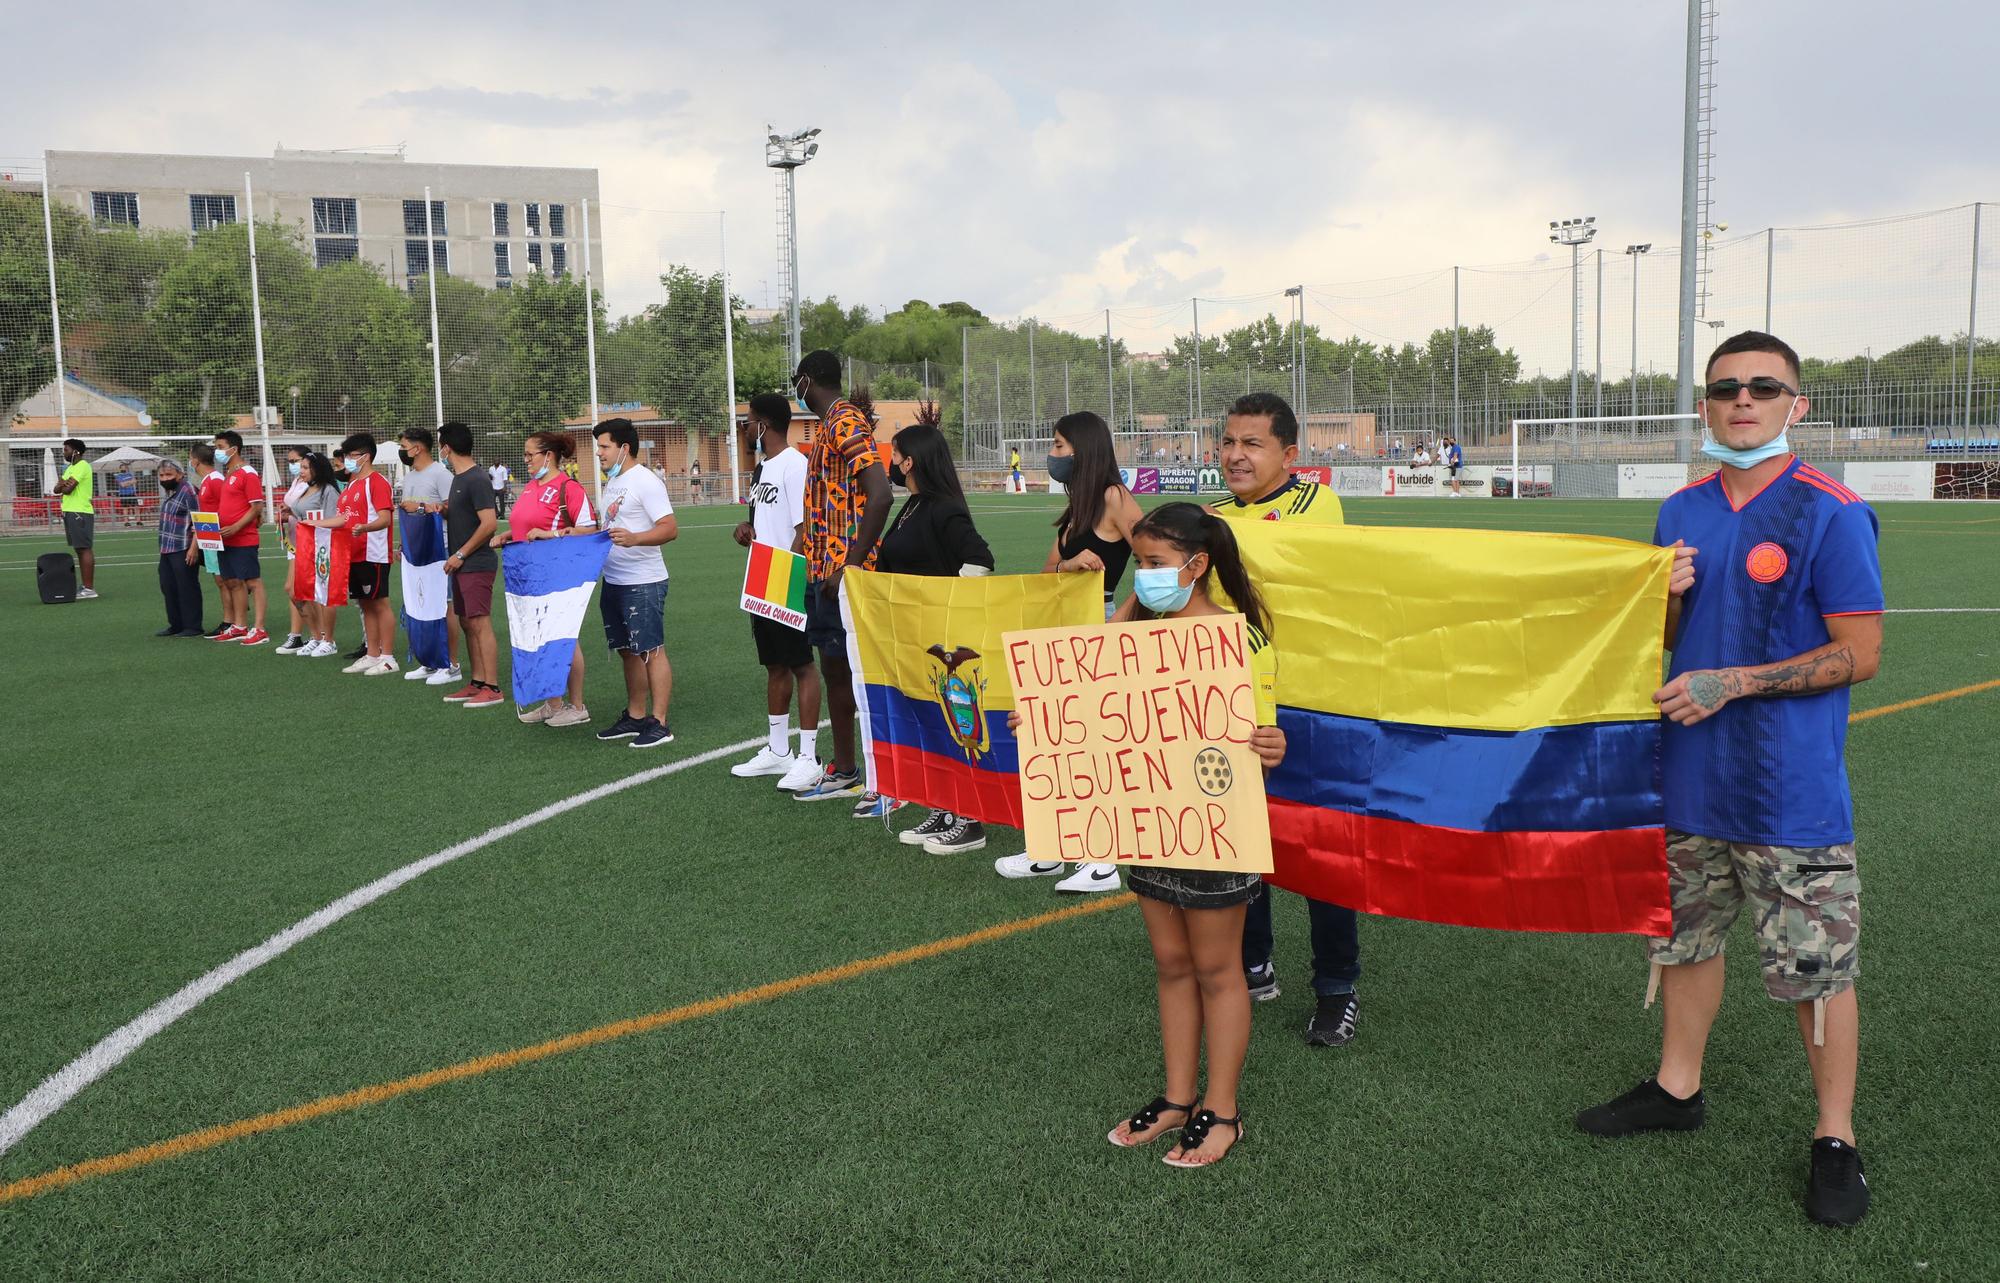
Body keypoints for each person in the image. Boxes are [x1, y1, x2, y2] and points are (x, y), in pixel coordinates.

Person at [1576, 331, 1884, 1228]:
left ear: (1798, 403)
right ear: (1705, 406)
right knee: (1682, 941)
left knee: (1816, 970)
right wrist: (1665, 601)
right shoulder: (1680, 510)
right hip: (1688, 781)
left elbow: (1860, 654)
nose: (1741, 400)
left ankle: (1835, 1136)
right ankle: (1678, 1087)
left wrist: (1737, 683)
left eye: (1762, 386)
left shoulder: (1830, 510)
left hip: (1791, 794)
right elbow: (1669, 641)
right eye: (1724, 389)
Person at [1029, 501, 1283, 1168]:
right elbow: (1082, 688)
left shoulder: (1238, 635)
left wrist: (1272, 739)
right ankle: (1176, 1099)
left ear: (1197, 566)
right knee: (1171, 962)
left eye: (1154, 564)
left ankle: (1220, 1110)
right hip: (1150, 819)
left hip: (1216, 824)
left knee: (1217, 968)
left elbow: (1266, 732)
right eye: (1139, 563)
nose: (1143, 575)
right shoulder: (1142, 624)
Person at [1202, 391, 1360, 1048]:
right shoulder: (1209, 515)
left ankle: (1337, 987)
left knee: (1320, 855)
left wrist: (1138, 520)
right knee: (1243, 843)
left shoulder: (1314, 504)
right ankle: (1255, 958)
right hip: (1234, 714)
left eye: (1253, 444)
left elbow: (1254, 552)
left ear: (1290, 454)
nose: (1235, 455)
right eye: (1228, 441)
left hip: (1309, 711)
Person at [993, 410, 1143, 893]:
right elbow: (1044, 577)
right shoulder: (1074, 507)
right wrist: (1069, 564)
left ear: (1083, 448)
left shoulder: (1115, 498)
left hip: (1098, 634)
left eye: (1058, 445)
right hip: (1060, 634)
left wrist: (1121, 615)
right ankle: (1051, 850)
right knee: (1051, 741)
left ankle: (1101, 861)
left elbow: (1162, 560)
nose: (1052, 455)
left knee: (1090, 745)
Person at [872, 422, 995, 846]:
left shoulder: (943, 507)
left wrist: (942, 604)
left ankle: (970, 818)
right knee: (929, 724)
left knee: (955, 725)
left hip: (944, 642)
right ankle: (944, 808)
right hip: (911, 639)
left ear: (911, 461)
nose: (891, 461)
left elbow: (979, 561)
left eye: (896, 453)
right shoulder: (911, 506)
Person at [789, 350, 893, 802]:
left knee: (858, 673)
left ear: (807, 380)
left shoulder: (845, 421)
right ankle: (847, 769)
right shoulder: (831, 424)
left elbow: (881, 494)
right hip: (824, 570)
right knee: (835, 669)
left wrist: (850, 563)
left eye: (797, 381)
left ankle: (879, 779)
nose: (797, 389)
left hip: (845, 574)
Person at [730, 393, 822, 788]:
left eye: (750, 420)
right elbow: (764, 520)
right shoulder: (762, 468)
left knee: (802, 664)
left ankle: (809, 756)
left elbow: (805, 530)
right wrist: (746, 530)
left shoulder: (795, 465)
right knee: (775, 664)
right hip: (761, 578)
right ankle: (778, 750)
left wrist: (787, 576)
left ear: (764, 424)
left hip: (785, 577)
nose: (747, 427)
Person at [494, 430, 597, 727]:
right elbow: (524, 528)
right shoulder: (530, 487)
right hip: (529, 578)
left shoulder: (568, 487)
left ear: (548, 456)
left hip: (558, 575)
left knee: (565, 638)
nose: (525, 460)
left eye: (530, 455)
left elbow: (588, 529)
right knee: (540, 638)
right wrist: (506, 536)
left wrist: (549, 534)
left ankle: (577, 706)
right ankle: (553, 704)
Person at [593, 418, 678, 748]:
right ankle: (636, 715)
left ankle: (659, 722)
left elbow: (669, 528)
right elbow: (610, 526)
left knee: (651, 651)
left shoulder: (645, 481)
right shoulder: (613, 483)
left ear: (623, 448)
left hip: (643, 581)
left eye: (604, 446)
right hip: (614, 579)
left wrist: (635, 539)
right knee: (628, 652)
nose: (598, 453)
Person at [436, 422, 503, 709]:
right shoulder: (458, 479)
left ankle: (493, 686)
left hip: (475, 562)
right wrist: (444, 510)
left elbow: (489, 524)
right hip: (462, 564)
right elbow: (466, 516)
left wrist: (461, 554)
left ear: (447, 447)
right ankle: (477, 682)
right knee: (466, 622)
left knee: (479, 622)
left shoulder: (476, 479)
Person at [397, 427, 463, 687]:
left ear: (418, 447)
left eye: (404, 446)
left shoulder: (441, 474)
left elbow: (451, 510)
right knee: (421, 606)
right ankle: (430, 661)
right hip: (417, 551)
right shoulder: (411, 476)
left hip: (440, 550)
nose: (403, 451)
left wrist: (423, 507)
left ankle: (452, 664)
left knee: (444, 607)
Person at [334, 432, 398, 675]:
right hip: (354, 554)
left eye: (351, 456)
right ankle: (372, 654)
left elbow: (384, 518)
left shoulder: (378, 482)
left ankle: (389, 657)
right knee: (365, 604)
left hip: (374, 553)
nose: (347, 461)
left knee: (380, 603)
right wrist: (316, 524)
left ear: (365, 456)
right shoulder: (351, 485)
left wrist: (365, 528)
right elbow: (344, 518)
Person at [211, 430, 269, 645]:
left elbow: (256, 507)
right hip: (226, 538)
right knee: (233, 581)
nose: (217, 451)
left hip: (243, 537)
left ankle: (260, 628)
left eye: (220, 447)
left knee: (253, 581)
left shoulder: (248, 472)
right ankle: (240, 626)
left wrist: (235, 527)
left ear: (233, 449)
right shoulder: (229, 473)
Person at [286, 452, 345, 657]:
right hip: (304, 547)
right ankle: (316, 636)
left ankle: (328, 640)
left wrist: (313, 524)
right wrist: (289, 514)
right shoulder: (307, 489)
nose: (300, 471)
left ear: (316, 469)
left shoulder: (328, 491)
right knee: (299, 592)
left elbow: (335, 519)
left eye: (304, 467)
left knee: (323, 594)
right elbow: (302, 514)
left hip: (323, 548)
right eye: (300, 467)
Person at [152, 457, 205, 637]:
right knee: (168, 586)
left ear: (180, 474)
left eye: (169, 474)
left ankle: (192, 626)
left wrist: (194, 548)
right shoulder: (171, 492)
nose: (165, 478)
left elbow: (198, 519)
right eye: (161, 475)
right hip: (167, 548)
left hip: (183, 547)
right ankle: (175, 624)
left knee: (187, 587)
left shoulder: (188, 491)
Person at [275, 445, 314, 653]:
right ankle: (297, 635)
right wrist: (283, 515)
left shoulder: (313, 484)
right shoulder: (297, 481)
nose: (292, 465)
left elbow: (310, 511)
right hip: (293, 541)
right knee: (294, 590)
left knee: (296, 589)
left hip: (306, 542)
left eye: (295, 461)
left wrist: (290, 513)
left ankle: (319, 635)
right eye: (290, 462)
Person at [54, 438, 97, 599]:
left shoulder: (82, 466)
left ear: (76, 452)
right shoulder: (70, 468)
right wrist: (63, 484)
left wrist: (64, 484)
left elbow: (67, 490)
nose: (63, 452)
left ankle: (89, 589)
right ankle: (85, 586)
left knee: (84, 548)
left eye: (66, 449)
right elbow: (57, 488)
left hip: (80, 512)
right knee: (79, 548)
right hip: (70, 511)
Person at [193, 445, 230, 633]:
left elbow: (226, 506)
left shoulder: (215, 479)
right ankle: (229, 619)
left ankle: (229, 621)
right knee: (220, 580)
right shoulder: (207, 480)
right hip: (209, 535)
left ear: (195, 460)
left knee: (223, 580)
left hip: (216, 535)